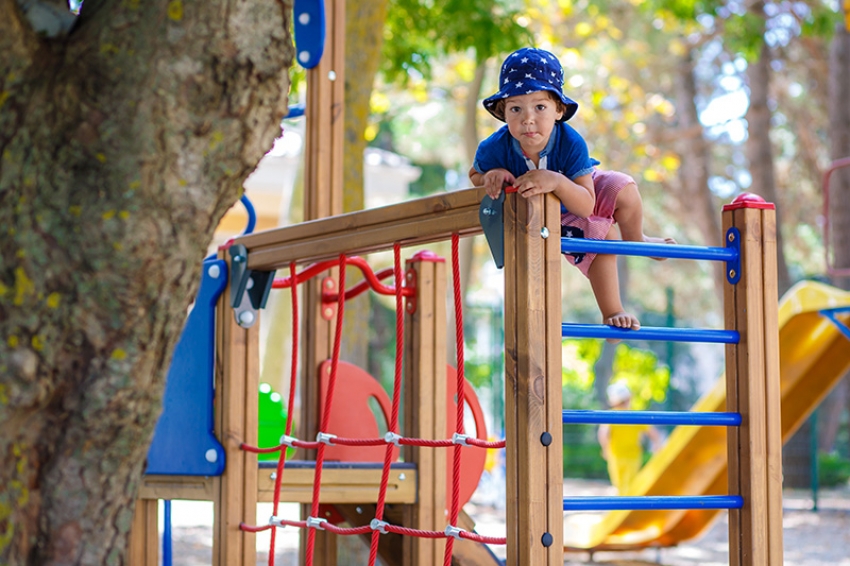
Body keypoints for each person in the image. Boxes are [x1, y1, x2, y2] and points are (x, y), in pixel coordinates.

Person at [469, 47, 675, 332]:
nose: (528, 118)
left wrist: (556, 181)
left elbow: (586, 204)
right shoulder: (495, 146)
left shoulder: (570, 142)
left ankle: (638, 240)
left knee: (623, 186)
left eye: (540, 107)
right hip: (552, 212)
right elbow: (475, 174)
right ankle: (612, 311)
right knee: (606, 237)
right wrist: (491, 176)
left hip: (578, 190)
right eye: (516, 108)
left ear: (559, 111)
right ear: (504, 113)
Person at [597, 381, 662, 495]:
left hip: (616, 454)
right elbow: (652, 432)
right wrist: (657, 445)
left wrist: (605, 448)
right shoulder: (635, 415)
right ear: (628, 398)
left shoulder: (610, 415)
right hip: (633, 455)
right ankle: (627, 507)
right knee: (630, 484)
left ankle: (623, 507)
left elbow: (603, 434)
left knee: (619, 484)